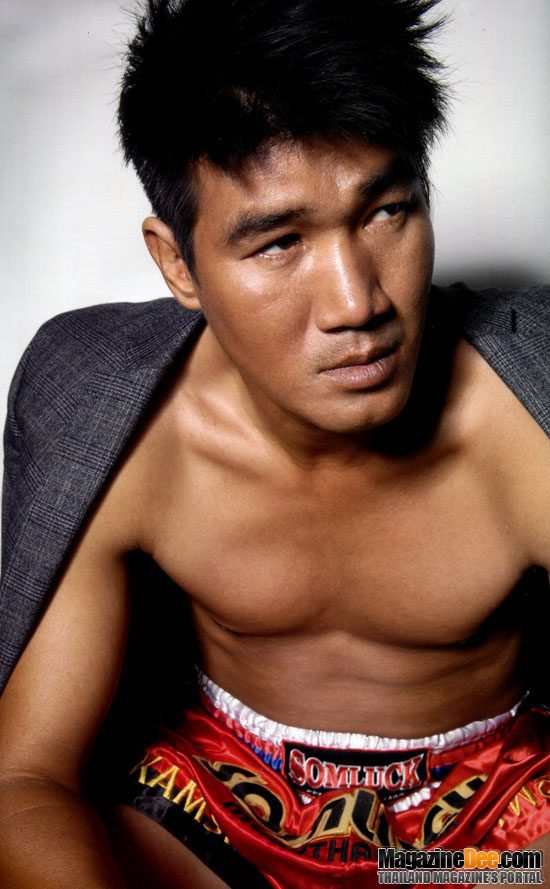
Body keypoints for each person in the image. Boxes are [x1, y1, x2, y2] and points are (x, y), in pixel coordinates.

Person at [0, 0, 548, 887]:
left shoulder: (525, 410)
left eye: (386, 211)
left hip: (487, 835)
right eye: (281, 243)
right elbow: (25, 776)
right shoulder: (105, 401)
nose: (356, 303)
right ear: (176, 263)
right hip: (213, 811)